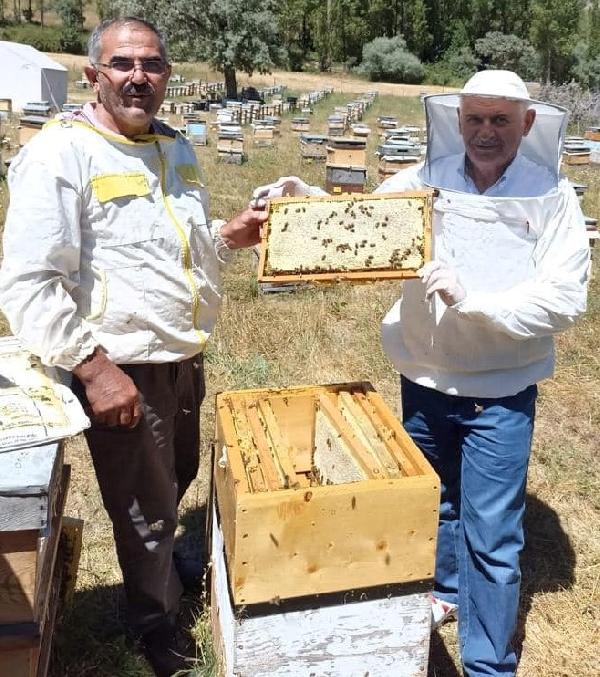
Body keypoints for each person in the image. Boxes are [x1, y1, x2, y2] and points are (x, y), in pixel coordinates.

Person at [252, 71, 589, 677]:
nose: (485, 133)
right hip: (425, 376)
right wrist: (301, 196)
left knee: (494, 537)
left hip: (499, 391)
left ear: (527, 124)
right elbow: (361, 224)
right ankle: (447, 592)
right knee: (437, 504)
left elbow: (565, 300)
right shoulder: (426, 177)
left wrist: (475, 299)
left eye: (501, 121)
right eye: (475, 119)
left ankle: (488, 664)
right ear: (458, 120)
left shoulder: (553, 196)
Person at [0, 17, 267, 677]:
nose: (138, 77)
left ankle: (164, 571)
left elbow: (177, 234)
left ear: (168, 76)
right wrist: (95, 369)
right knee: (143, 503)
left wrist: (227, 236)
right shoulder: (61, 153)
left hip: (182, 352)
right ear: (94, 74)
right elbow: (30, 282)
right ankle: (156, 623)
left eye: (152, 64)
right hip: (122, 364)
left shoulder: (174, 147)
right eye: (122, 64)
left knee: (174, 477)